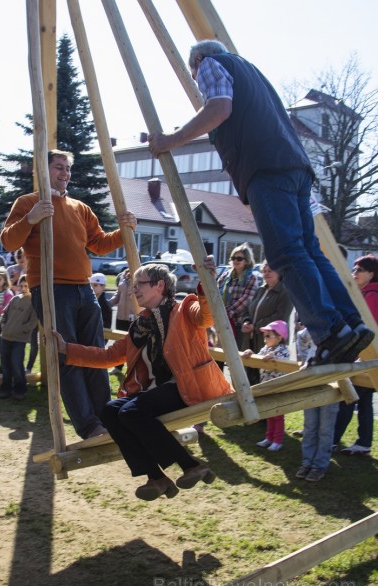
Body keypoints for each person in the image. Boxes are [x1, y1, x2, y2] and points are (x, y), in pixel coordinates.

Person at [148, 39, 373, 366]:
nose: (200, 83)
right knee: (308, 249)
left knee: (286, 253)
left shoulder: (212, 63)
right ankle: (351, 325)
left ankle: (331, 331)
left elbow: (219, 108)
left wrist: (170, 140)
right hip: (294, 168)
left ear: (198, 62)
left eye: (195, 77)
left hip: (268, 169)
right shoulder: (253, 74)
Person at [52, 260, 234, 501]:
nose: (133, 289)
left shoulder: (185, 309)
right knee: (108, 411)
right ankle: (156, 477)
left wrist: (207, 282)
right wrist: (67, 349)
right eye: (132, 284)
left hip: (189, 388)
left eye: (140, 284)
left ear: (159, 286)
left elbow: (207, 316)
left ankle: (190, 464)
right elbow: (108, 356)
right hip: (160, 392)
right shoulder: (141, 325)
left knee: (130, 412)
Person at [1, 149, 137, 439]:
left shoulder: (80, 207)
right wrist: (32, 218)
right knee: (67, 356)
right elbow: (9, 241)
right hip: (50, 289)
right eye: (58, 167)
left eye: (67, 168)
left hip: (83, 289)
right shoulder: (28, 202)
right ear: (43, 170)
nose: (65, 173)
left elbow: (99, 244)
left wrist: (123, 230)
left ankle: (107, 419)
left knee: (95, 355)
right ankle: (89, 427)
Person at [333, 254, 378, 455]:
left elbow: (368, 329)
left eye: (360, 269)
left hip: (366, 356)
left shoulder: (372, 295)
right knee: (361, 398)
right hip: (361, 355)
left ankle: (335, 439)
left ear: (371, 274)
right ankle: (363, 442)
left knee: (349, 396)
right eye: (354, 269)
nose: (355, 273)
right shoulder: (362, 293)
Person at [241, 261, 293, 384]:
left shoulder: (285, 292)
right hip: (251, 339)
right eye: (264, 271)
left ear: (279, 272)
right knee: (248, 375)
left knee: (266, 377)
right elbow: (248, 309)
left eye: (270, 271)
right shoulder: (260, 290)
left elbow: (280, 316)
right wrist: (246, 321)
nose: (266, 273)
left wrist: (256, 326)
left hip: (272, 341)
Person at [243, 320, 290, 451]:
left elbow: (284, 361)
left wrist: (273, 357)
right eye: (265, 335)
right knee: (269, 412)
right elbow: (258, 358)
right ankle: (269, 438)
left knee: (278, 414)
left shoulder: (283, 350)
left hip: (277, 388)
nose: (265, 338)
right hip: (266, 386)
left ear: (279, 338)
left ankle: (278, 440)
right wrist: (250, 353)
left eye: (268, 335)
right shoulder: (266, 349)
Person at [215, 243, 259, 369]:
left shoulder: (252, 278)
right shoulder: (225, 276)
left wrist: (227, 312)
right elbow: (216, 293)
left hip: (239, 323)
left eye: (239, 258)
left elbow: (247, 299)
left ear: (247, 261)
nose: (235, 261)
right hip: (223, 322)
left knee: (237, 361)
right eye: (233, 258)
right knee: (218, 356)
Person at [0, 275, 38, 400]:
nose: (23, 288)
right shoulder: (14, 299)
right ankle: (6, 388)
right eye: (21, 286)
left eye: (26, 286)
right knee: (5, 364)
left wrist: (22, 330)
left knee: (16, 364)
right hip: (5, 336)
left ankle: (20, 389)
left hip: (19, 339)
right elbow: (4, 313)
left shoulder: (34, 302)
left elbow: (33, 321)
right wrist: (4, 325)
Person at [108, 268, 135, 378]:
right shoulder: (123, 275)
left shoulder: (140, 274)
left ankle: (132, 370)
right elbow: (118, 293)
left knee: (132, 344)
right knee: (119, 343)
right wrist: (107, 304)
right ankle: (118, 368)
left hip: (133, 317)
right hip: (120, 316)